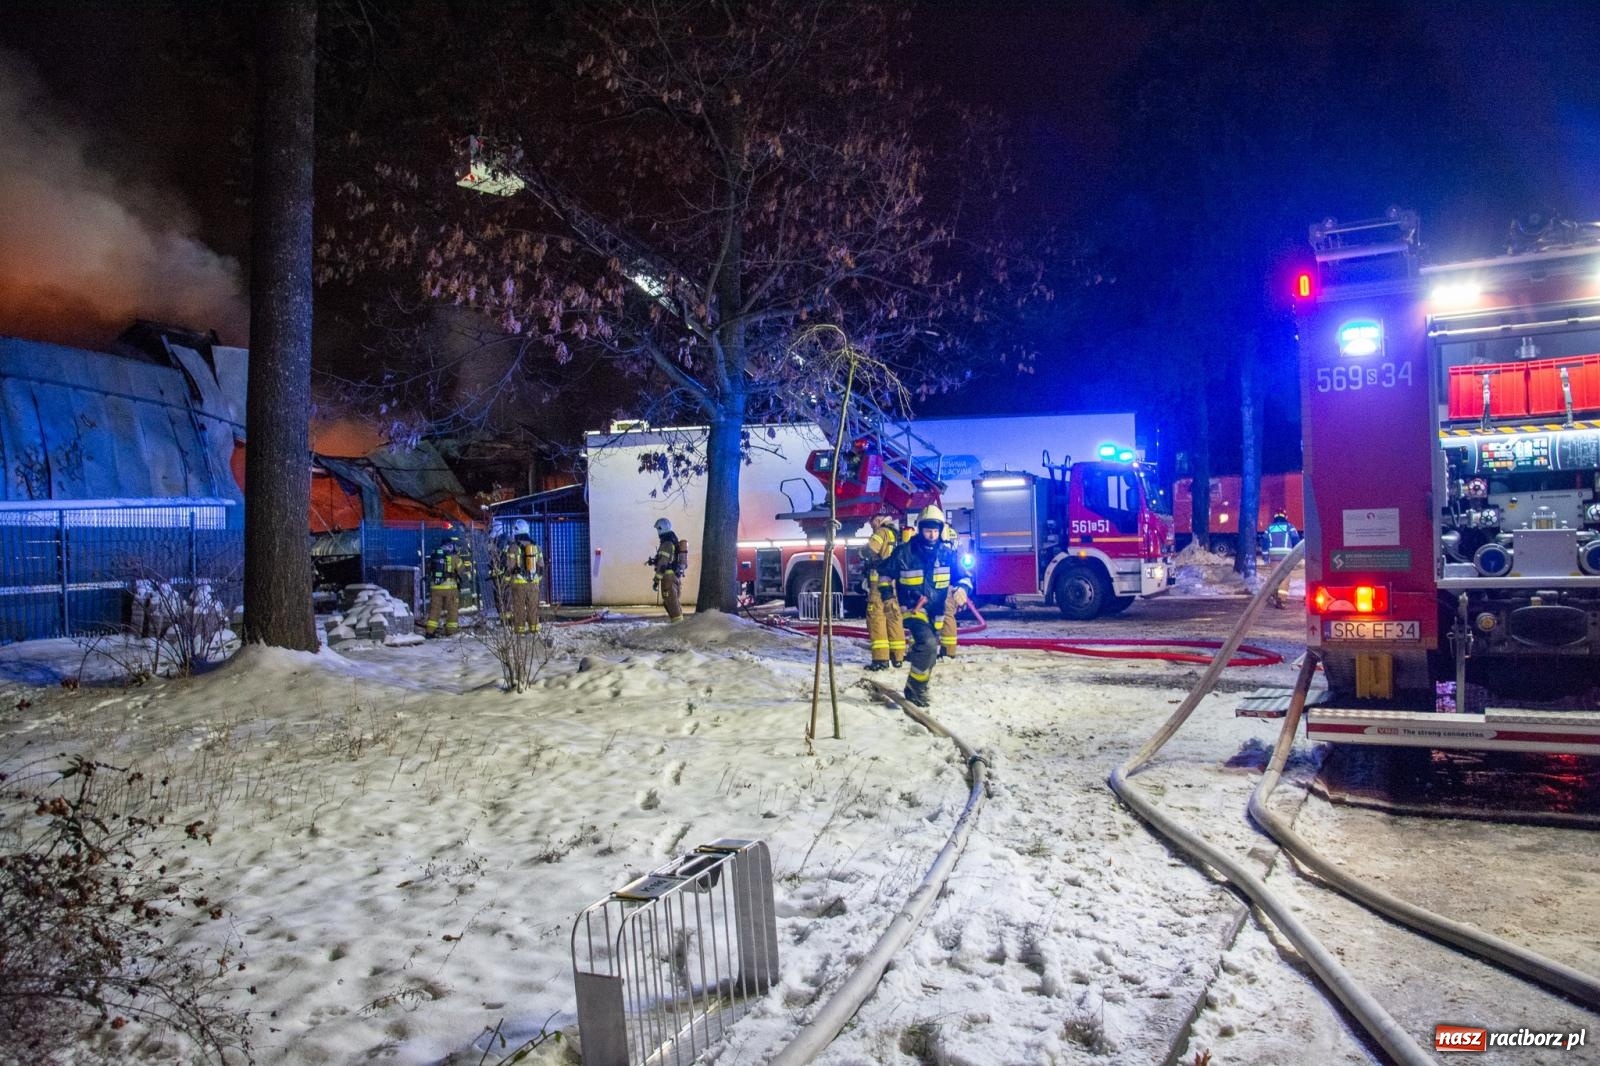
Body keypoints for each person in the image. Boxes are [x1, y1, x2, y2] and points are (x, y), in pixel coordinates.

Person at [880, 504, 973, 707]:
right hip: (912, 610)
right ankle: (915, 688)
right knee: (929, 645)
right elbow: (885, 575)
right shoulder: (904, 553)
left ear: (941, 530)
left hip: (936, 612)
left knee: (928, 654)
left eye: (935, 530)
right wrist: (887, 598)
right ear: (919, 529)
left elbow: (965, 577)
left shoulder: (947, 554)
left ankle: (918, 685)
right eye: (927, 530)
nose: (931, 535)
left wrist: (962, 590)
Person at [860, 514, 905, 671]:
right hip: (894, 582)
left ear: (878, 520)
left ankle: (880, 659)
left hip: (879, 582)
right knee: (894, 616)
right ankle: (897, 656)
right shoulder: (896, 534)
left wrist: (861, 552)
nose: (872, 526)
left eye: (872, 523)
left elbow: (870, 550)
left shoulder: (881, 533)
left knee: (876, 617)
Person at [497, 519, 544, 634]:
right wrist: (536, 580)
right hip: (533, 583)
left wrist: (505, 581)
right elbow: (541, 566)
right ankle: (534, 630)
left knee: (519, 608)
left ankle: (520, 631)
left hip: (518, 584)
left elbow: (510, 567)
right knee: (533, 607)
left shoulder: (513, 547)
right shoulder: (536, 546)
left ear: (516, 531)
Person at [425, 531, 465, 637]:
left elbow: (429, 569)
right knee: (452, 609)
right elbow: (461, 570)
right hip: (450, 588)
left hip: (435, 587)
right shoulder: (454, 557)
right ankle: (451, 632)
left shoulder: (435, 555)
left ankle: (430, 631)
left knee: (435, 609)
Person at [649, 518, 688, 622]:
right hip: (673, 576)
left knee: (671, 603)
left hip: (668, 577)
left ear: (662, 529)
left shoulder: (666, 543)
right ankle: (677, 624)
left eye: (658, 529)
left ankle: (678, 627)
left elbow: (663, 564)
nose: (657, 532)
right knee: (672, 602)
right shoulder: (672, 541)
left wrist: (656, 580)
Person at [938, 522, 962, 658]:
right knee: (947, 617)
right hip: (949, 587)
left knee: (945, 617)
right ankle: (948, 651)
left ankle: (947, 651)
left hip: (941, 588)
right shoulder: (951, 549)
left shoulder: (939, 550)